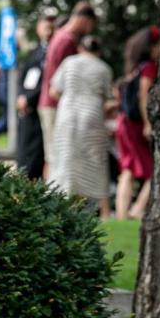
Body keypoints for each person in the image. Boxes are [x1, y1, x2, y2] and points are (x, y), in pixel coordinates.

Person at [48, 35, 115, 218]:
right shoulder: (103, 68)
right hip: (92, 114)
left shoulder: (69, 62)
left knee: (66, 158)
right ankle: (105, 212)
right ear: (98, 51)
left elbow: (53, 90)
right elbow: (108, 98)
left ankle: (64, 206)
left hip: (67, 113)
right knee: (96, 161)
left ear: (80, 48)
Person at [37, 2, 97, 174]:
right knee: (55, 156)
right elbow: (65, 80)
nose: (89, 30)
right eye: (90, 25)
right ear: (84, 20)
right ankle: (51, 197)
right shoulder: (68, 40)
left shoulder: (59, 36)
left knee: (53, 154)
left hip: (49, 102)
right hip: (55, 104)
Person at [115, 26, 160, 220]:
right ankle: (137, 209)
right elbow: (144, 95)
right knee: (154, 171)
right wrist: (148, 123)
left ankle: (122, 214)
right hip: (135, 124)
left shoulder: (134, 68)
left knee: (128, 170)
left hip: (123, 122)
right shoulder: (149, 67)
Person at [15, 11, 55, 179]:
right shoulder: (35, 51)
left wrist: (29, 99)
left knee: (37, 150)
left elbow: (47, 80)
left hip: (39, 105)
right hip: (26, 106)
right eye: (45, 27)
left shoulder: (52, 51)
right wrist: (21, 97)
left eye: (51, 28)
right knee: (24, 147)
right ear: (39, 29)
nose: (48, 32)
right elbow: (24, 76)